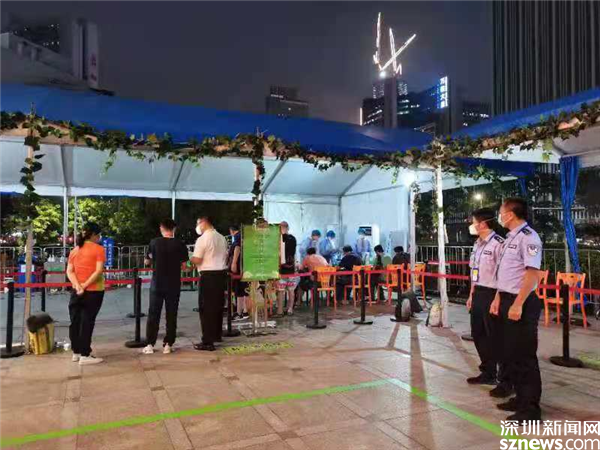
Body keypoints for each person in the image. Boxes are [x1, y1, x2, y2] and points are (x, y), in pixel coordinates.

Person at [490, 198, 543, 421]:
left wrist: (518, 303)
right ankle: (520, 398)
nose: (500, 216)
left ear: (510, 214)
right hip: (506, 299)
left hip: (522, 302)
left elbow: (532, 274)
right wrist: (497, 297)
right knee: (511, 353)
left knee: (524, 355)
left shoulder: (529, 237)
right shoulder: (510, 238)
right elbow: (505, 274)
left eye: (501, 212)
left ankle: (531, 408)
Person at [465, 208, 505, 385]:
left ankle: (503, 376)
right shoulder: (478, 244)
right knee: (478, 333)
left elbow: (503, 274)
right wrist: (471, 294)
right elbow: (474, 272)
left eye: (473, 222)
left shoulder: (498, 243)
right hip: (478, 293)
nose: (471, 225)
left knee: (494, 336)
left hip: (493, 293)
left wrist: (498, 298)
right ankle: (487, 372)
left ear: (482, 224)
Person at [142, 219, 189, 355]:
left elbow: (147, 261)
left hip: (157, 283)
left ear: (161, 228)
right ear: (174, 229)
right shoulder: (180, 244)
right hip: (173, 284)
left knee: (153, 313)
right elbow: (185, 267)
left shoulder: (154, 242)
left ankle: (150, 344)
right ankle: (168, 344)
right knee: (172, 314)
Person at [66, 222, 105, 366]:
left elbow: (69, 271)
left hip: (76, 291)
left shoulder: (75, 250)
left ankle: (76, 352)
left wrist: (77, 285)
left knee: (75, 321)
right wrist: (84, 285)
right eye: (98, 235)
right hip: (94, 291)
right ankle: (85, 354)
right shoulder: (99, 249)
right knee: (87, 322)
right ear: (93, 235)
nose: (99, 238)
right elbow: (98, 271)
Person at [191, 216, 228, 351]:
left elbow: (197, 259)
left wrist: (190, 259)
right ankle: (217, 335)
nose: (197, 227)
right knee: (218, 307)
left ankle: (207, 341)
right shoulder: (222, 238)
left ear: (203, 223)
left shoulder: (203, 239)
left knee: (206, 309)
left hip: (208, 275)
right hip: (221, 275)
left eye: (198, 223)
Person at [277, 221, 298, 316]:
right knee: (290, 290)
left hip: (284, 270)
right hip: (289, 269)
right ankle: (289, 309)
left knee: (282, 290)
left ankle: (281, 311)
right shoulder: (292, 238)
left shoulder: (282, 239)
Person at [228, 225, 249, 321]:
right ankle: (241, 311)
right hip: (244, 266)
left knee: (241, 290)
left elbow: (237, 248)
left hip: (239, 267)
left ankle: (243, 312)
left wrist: (233, 263)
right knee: (241, 290)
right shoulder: (243, 236)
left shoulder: (237, 237)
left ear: (231, 230)